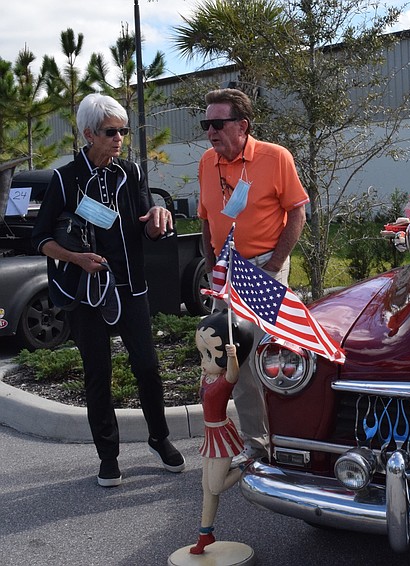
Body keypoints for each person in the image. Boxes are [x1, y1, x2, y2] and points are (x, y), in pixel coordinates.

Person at [32, 93, 185, 487]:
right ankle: (108, 455)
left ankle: (159, 438)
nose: (119, 138)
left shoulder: (129, 173)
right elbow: (41, 239)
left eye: (123, 131)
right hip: (86, 292)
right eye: (110, 132)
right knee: (98, 373)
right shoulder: (65, 178)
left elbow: (140, 226)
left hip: (130, 287)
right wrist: (77, 258)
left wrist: (154, 220)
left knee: (148, 368)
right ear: (88, 134)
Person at [197, 88, 309, 468]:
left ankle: (288, 442)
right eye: (205, 124)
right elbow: (204, 219)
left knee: (267, 357)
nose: (210, 131)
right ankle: (257, 446)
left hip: (263, 268)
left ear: (242, 126)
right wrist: (211, 264)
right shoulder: (206, 162)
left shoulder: (275, 157)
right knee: (235, 360)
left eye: (217, 123)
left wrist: (274, 265)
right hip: (225, 272)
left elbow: (297, 214)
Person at [190, 311, 253, 555]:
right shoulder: (207, 376)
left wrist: (232, 357)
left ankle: (248, 464)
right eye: (202, 354)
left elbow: (232, 375)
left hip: (221, 435)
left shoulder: (223, 380)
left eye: (208, 354)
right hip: (210, 434)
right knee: (206, 487)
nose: (203, 361)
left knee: (215, 487)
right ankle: (205, 534)